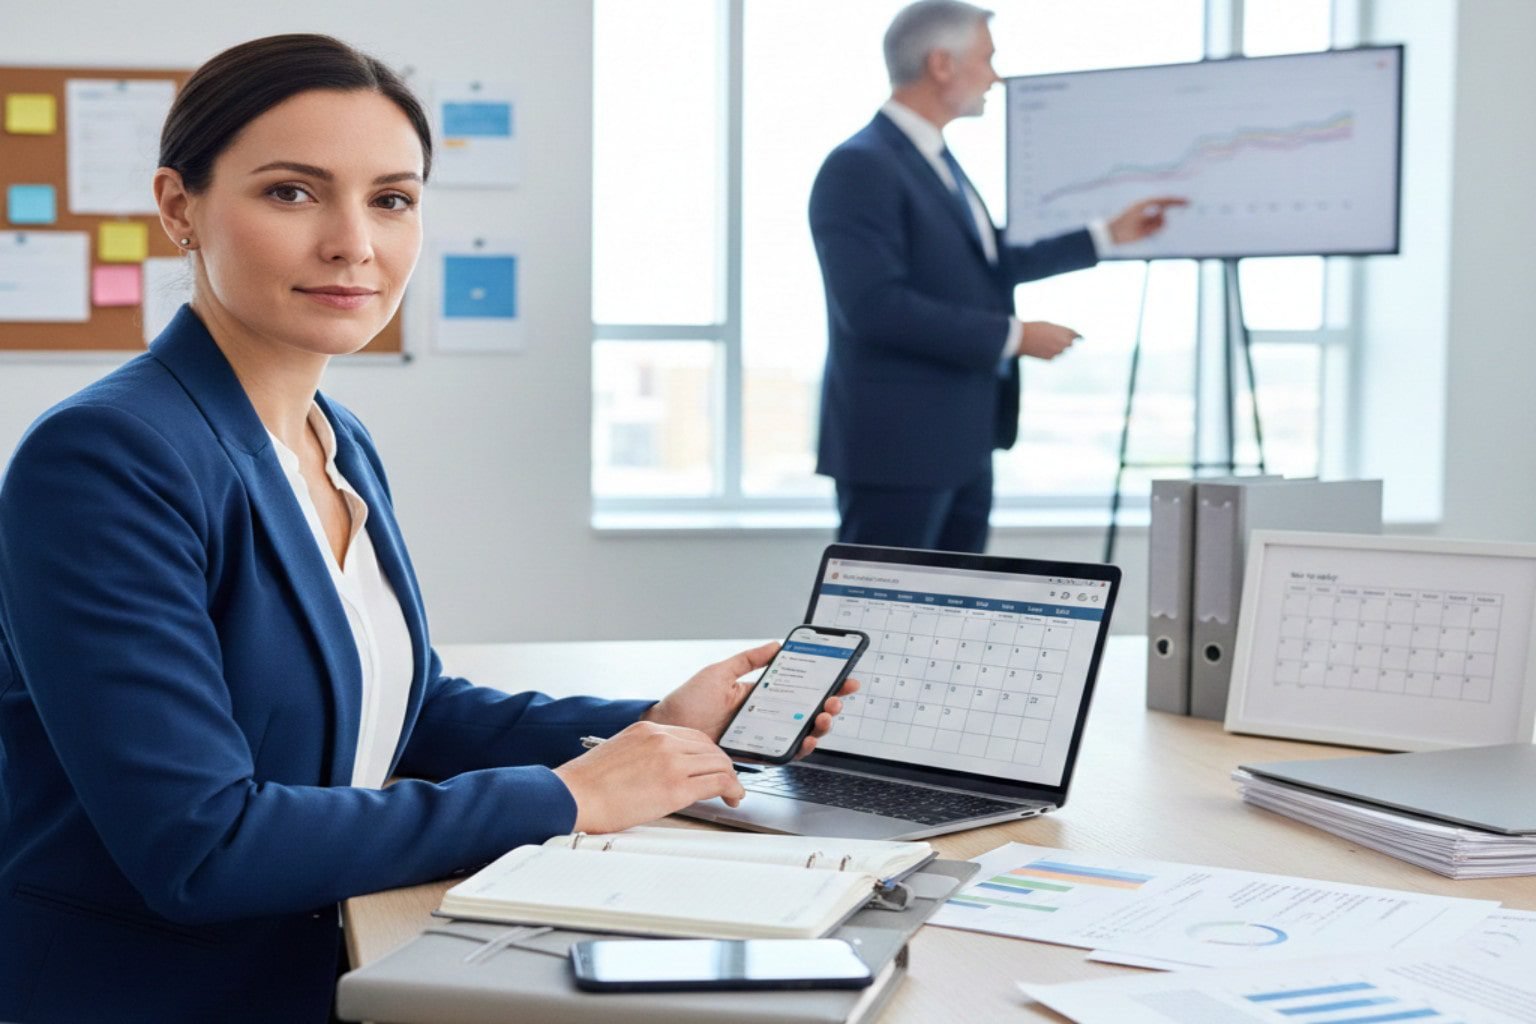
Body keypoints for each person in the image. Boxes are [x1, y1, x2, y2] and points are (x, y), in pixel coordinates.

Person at [0, 35, 852, 1024]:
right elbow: (202, 844)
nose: (353, 242)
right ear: (179, 206)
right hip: (163, 992)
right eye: (292, 192)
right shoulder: (108, 457)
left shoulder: (334, 439)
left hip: (334, 950)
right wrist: (568, 795)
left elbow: (405, 706)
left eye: (392, 199)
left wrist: (656, 722)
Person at [810, 0, 1186, 553]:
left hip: (962, 442)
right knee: (880, 621)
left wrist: (1106, 235)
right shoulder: (861, 166)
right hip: (899, 450)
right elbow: (873, 308)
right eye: (987, 59)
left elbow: (986, 263)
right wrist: (1014, 337)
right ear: (942, 64)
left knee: (953, 621)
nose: (996, 76)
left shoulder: (933, 160)